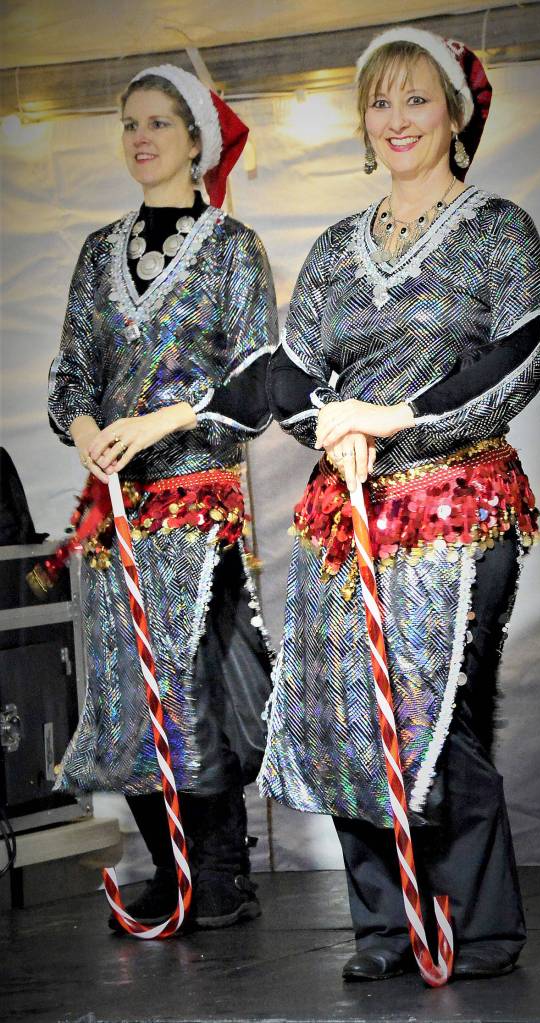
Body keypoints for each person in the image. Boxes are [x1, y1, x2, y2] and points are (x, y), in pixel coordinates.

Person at [259, 27, 540, 981]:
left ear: (455, 115)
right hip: (344, 516)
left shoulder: (497, 229)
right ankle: (384, 926)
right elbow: (290, 372)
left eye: (416, 99)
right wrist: (328, 424)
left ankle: (480, 929)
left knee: (444, 714)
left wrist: (392, 418)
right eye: (379, 102)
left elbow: (520, 349)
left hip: (458, 504)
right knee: (352, 713)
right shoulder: (338, 250)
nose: (395, 119)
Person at [47, 64, 278, 931]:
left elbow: (255, 382)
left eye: (159, 123)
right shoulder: (96, 251)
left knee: (192, 690)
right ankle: (167, 866)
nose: (141, 137)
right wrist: (84, 430)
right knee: (121, 692)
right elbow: (71, 373)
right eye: (130, 123)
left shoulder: (232, 248)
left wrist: (155, 425)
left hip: (198, 506)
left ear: (195, 140)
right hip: (116, 512)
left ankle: (220, 872)